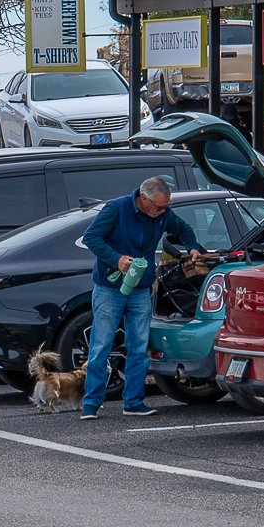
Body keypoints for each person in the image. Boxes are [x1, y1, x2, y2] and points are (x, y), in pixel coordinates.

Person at [77, 176, 203, 420]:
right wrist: (116, 259)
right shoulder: (117, 208)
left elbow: (184, 229)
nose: (163, 210)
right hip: (109, 286)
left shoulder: (164, 213)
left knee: (139, 346)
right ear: (144, 200)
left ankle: (133, 402)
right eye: (159, 206)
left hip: (140, 288)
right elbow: (91, 237)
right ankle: (91, 404)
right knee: (101, 345)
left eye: (166, 206)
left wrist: (193, 246)